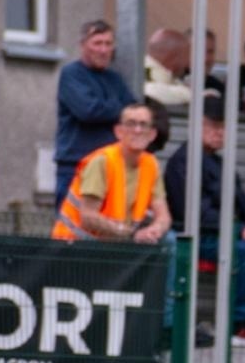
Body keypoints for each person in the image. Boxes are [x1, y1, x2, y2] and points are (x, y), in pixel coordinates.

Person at [162, 93, 245, 335]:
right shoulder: (184, 162)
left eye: (224, 127)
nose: (219, 132)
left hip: (225, 233)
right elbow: (195, 214)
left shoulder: (222, 163)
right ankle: (244, 324)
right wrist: (242, 230)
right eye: (213, 125)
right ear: (196, 125)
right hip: (198, 237)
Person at [52, 101, 171, 244]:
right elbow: (88, 217)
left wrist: (154, 230)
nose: (137, 130)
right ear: (118, 132)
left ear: (152, 134)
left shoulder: (151, 165)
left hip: (111, 247)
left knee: (168, 240)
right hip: (73, 246)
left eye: (143, 125)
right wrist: (131, 234)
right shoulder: (102, 161)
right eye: (131, 124)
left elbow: (163, 216)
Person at [54, 19, 138, 202]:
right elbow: (88, 111)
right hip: (77, 165)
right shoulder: (72, 74)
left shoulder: (115, 79)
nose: (103, 50)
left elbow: (134, 112)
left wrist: (111, 108)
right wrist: (119, 108)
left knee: (107, 226)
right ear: (83, 45)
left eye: (108, 44)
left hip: (110, 166)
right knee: (72, 226)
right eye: (97, 43)